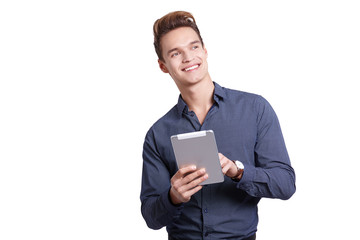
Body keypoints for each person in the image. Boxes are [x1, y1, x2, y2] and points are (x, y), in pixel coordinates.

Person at [140, 11, 296, 240]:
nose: (188, 57)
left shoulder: (255, 109)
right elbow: (151, 217)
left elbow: (285, 184)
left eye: (193, 47)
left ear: (204, 51)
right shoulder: (157, 134)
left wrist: (238, 171)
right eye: (175, 53)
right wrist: (174, 196)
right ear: (163, 66)